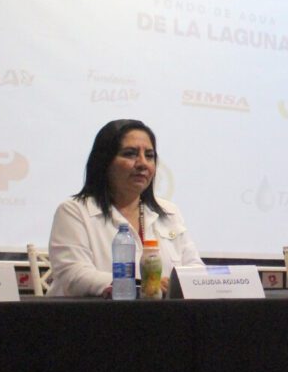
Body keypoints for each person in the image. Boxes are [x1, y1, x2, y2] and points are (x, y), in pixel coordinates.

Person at [48, 119, 202, 297]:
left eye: (150, 156)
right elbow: (73, 275)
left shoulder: (169, 212)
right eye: (130, 154)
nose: (143, 163)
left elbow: (195, 270)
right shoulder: (74, 211)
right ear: (104, 162)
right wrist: (144, 284)